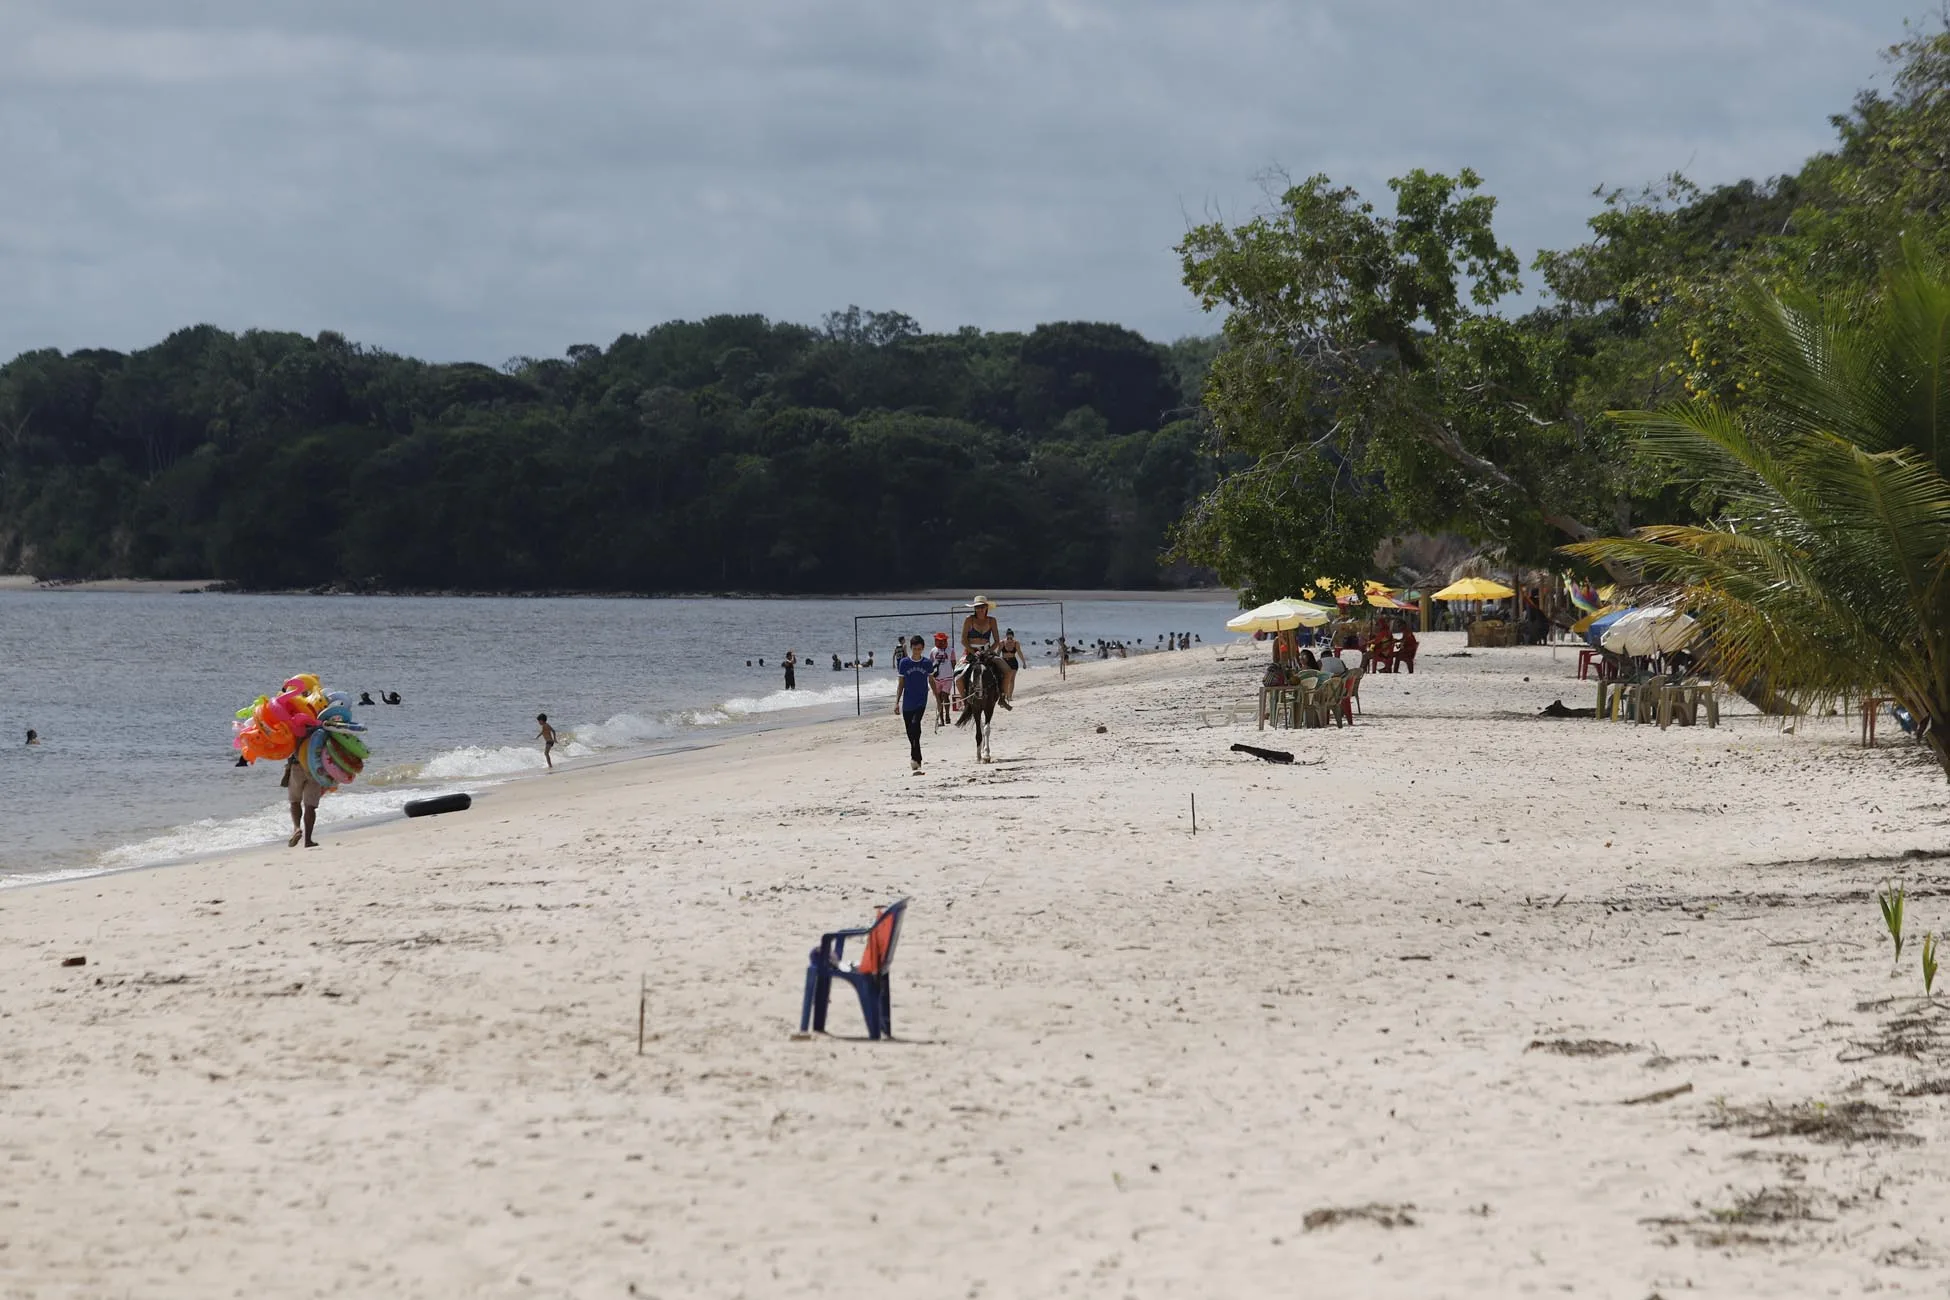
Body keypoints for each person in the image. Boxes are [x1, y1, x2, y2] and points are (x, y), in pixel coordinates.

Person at [895, 635, 933, 772]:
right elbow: (901, 684)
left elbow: (932, 681)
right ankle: (917, 755)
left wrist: (939, 699)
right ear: (910, 648)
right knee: (910, 731)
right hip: (907, 702)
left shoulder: (927, 663)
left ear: (922, 648)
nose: (917, 651)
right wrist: (896, 702)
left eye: (919, 649)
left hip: (921, 700)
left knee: (915, 724)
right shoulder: (904, 663)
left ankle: (915, 758)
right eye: (914, 648)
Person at [284, 751, 324, 848]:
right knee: (310, 806)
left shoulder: (294, 734)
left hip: (296, 765)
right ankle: (308, 840)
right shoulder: (318, 734)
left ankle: (297, 828)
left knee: (295, 801)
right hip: (315, 766)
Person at [930, 632, 955, 726]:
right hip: (937, 678)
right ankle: (941, 719)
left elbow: (953, 662)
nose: (940, 642)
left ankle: (947, 715)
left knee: (945, 696)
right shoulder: (933, 650)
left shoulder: (950, 650)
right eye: (938, 640)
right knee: (939, 698)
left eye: (941, 641)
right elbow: (931, 664)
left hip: (948, 676)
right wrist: (930, 676)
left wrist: (955, 673)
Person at [998, 628, 1024, 701]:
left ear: (1013, 637)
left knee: (1011, 680)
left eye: (1011, 638)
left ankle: (1009, 696)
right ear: (1006, 637)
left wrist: (1024, 662)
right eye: (1008, 638)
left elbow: (1019, 653)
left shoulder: (1016, 643)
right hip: (1004, 662)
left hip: (1013, 662)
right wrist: (995, 661)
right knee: (1004, 679)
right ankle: (1004, 694)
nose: (1009, 640)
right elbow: (998, 652)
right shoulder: (1002, 642)